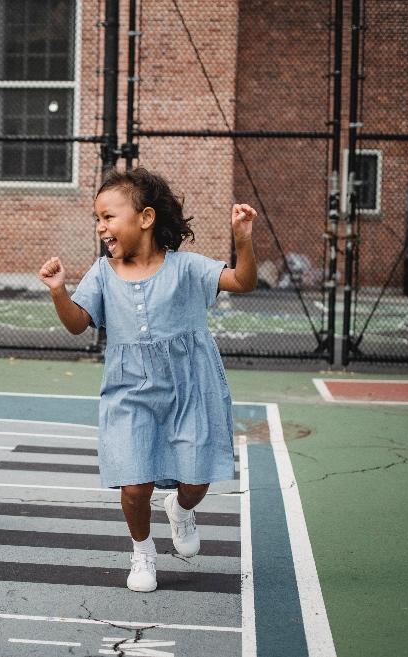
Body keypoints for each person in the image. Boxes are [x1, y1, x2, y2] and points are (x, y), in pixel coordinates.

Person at [38, 167, 257, 592]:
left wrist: (243, 240)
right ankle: (142, 552)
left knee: (196, 481)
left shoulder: (187, 268)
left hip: (190, 390)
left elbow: (243, 281)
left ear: (146, 218)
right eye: (97, 219)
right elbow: (78, 323)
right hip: (130, 391)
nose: (101, 227)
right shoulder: (102, 273)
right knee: (135, 485)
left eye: (108, 217)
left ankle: (181, 509)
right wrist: (59, 291)